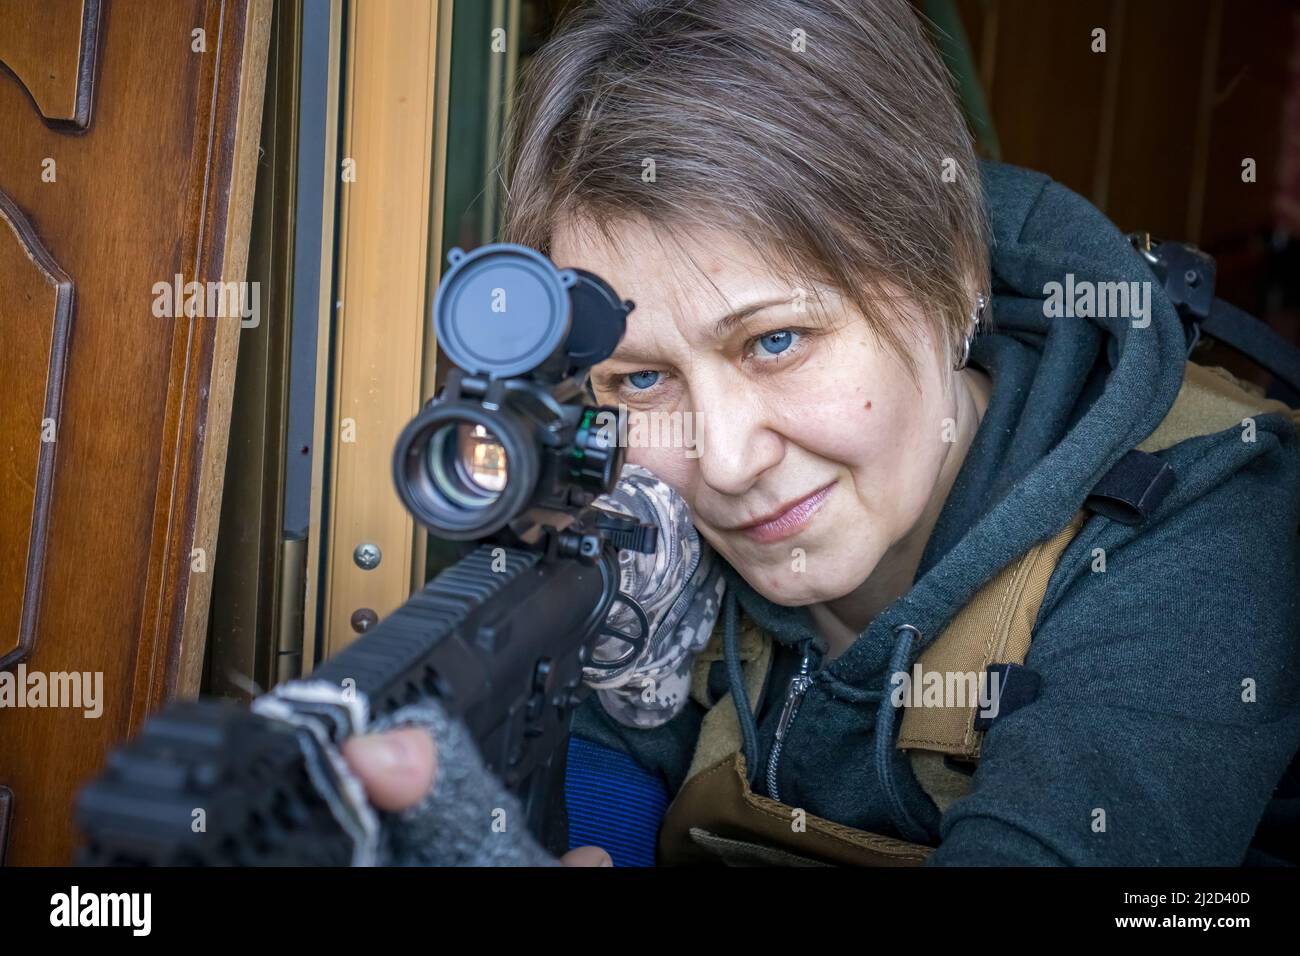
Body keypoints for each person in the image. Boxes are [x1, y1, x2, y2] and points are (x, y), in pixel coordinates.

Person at [343, 0, 1300, 866]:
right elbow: (618, 742)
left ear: (952, 274)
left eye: (777, 340)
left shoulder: (1202, 525)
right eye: (641, 377)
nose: (722, 459)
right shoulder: (650, 513)